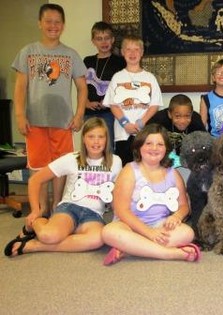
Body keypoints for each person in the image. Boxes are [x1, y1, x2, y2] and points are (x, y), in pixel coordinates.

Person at [4, 117, 122, 257]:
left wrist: (118, 218)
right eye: (91, 136)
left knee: (97, 240)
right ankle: (36, 223)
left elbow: (116, 193)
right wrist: (36, 211)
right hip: (69, 208)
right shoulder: (72, 158)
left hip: (94, 214)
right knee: (49, 236)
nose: (96, 141)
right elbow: (35, 180)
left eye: (100, 137)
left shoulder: (115, 161)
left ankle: (34, 246)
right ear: (83, 139)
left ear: (106, 140)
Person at [11, 3, 88, 216]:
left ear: (63, 25)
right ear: (40, 23)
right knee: (38, 167)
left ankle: (58, 208)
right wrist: (19, 115)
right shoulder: (28, 52)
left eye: (57, 22)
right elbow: (20, 88)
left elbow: (82, 88)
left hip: (63, 122)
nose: (53, 26)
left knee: (61, 168)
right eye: (48, 21)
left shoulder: (70, 54)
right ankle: (40, 209)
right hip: (34, 122)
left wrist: (79, 114)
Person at [101, 123, 201, 266]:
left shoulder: (173, 174)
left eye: (160, 144)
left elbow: (184, 206)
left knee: (187, 233)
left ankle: (131, 248)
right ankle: (171, 254)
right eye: (149, 143)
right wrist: (148, 233)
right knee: (108, 232)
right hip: (128, 225)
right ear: (139, 146)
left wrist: (177, 216)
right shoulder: (129, 170)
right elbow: (121, 210)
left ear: (166, 149)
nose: (154, 148)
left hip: (159, 225)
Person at [102, 34, 163, 166]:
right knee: (125, 166)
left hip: (144, 133)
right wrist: (125, 124)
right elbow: (113, 105)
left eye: (136, 49)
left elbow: (154, 105)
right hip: (123, 133)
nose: (132, 53)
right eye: (128, 49)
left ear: (141, 53)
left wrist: (141, 122)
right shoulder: (117, 77)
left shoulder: (150, 77)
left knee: (144, 165)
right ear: (123, 52)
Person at [84, 21, 126, 151]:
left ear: (112, 39)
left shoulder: (120, 61)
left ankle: (108, 170)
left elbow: (122, 88)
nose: (104, 42)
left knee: (107, 146)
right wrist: (85, 102)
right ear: (93, 41)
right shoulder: (87, 61)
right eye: (99, 39)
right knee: (89, 146)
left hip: (109, 112)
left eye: (107, 38)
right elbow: (81, 85)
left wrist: (108, 101)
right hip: (89, 112)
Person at [147, 94, 206, 168]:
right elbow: (146, 140)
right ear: (169, 114)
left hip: (188, 162)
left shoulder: (196, 120)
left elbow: (205, 144)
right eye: (177, 116)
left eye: (187, 116)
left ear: (191, 114)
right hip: (161, 161)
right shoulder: (159, 119)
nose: (182, 121)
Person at [199, 58, 223, 138]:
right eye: (218, 72)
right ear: (213, 77)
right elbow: (201, 127)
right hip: (214, 142)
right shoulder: (206, 99)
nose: (222, 74)